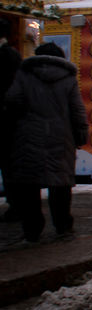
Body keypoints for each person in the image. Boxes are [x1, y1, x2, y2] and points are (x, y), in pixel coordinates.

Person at [5, 42, 87, 242]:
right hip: (61, 136)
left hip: (28, 134)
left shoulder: (24, 74)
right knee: (60, 184)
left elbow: (12, 100)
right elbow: (77, 110)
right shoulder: (68, 78)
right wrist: (81, 136)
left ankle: (32, 228)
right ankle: (63, 226)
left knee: (29, 184)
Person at [0, 19, 22, 221]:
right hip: (11, 119)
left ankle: (15, 203)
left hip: (9, 120)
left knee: (10, 164)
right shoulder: (14, 56)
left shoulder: (9, 56)